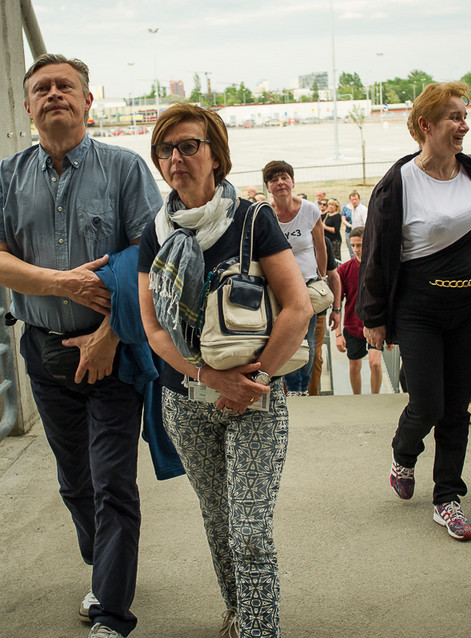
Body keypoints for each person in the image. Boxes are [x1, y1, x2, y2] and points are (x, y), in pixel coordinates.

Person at [0, 53, 162, 638]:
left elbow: (148, 256)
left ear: (87, 101)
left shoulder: (125, 169)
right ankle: (105, 566)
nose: (54, 94)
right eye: (41, 88)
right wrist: (62, 283)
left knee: (113, 483)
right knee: (74, 483)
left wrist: (109, 335)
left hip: (112, 354)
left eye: (66, 87)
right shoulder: (6, 176)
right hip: (44, 351)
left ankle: (111, 612)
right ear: (28, 106)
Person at [137, 101, 311, 637]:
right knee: (219, 522)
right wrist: (211, 380)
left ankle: (261, 630)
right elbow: (155, 329)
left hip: (256, 400)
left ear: (216, 156)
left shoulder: (253, 220)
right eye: (166, 149)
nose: (176, 157)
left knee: (250, 530)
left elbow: (298, 307)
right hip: (188, 403)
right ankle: (239, 612)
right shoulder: (157, 231)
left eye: (189, 145)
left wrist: (250, 385)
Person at [358, 81, 471, 542]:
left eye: (464, 115)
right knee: (428, 404)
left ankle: (447, 499)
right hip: (419, 309)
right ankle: (403, 452)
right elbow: (376, 256)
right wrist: (374, 319)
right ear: (426, 125)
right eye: (455, 117)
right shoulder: (398, 182)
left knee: (457, 407)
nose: (464, 125)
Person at [264, 160, 327, 396]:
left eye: (284, 177)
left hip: (308, 284)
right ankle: (292, 388)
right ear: (268, 186)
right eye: (274, 179)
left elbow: (320, 247)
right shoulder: (266, 214)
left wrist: (321, 277)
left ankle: (302, 387)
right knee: (287, 339)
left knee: (308, 339)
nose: (280, 182)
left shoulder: (310, 210)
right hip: (279, 289)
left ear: (292, 181)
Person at [335, 226, 383, 394]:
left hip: (375, 324)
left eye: (360, 245)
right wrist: (338, 334)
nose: (355, 249)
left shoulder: (379, 267)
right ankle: (357, 397)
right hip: (352, 325)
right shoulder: (344, 270)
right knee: (354, 365)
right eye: (353, 245)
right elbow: (337, 304)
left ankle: (375, 397)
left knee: (375, 363)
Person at [308, 240, 341, 396]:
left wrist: (336, 309)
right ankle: (289, 397)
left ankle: (312, 395)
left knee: (314, 355)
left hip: (317, 308)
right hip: (285, 306)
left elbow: (333, 275)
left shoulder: (321, 241)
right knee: (286, 354)